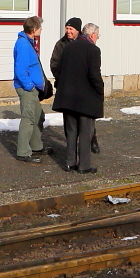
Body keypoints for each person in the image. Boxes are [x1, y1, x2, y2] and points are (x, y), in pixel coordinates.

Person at [54, 23, 104, 173]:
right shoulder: (93, 50)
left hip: (67, 96)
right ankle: (84, 165)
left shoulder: (68, 47)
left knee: (71, 131)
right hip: (85, 98)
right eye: (97, 36)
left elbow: (58, 68)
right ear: (93, 35)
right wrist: (100, 91)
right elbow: (94, 75)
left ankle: (69, 163)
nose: (97, 39)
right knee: (85, 132)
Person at [49, 17, 98, 154]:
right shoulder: (61, 44)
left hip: (83, 88)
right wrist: (63, 78)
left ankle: (91, 140)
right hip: (67, 87)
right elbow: (54, 64)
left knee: (87, 118)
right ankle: (71, 148)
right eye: (67, 28)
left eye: (71, 29)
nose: (68, 31)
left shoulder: (86, 43)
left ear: (78, 31)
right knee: (69, 121)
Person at [13, 16, 47, 163]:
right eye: (40, 27)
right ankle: (23, 152)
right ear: (33, 30)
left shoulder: (28, 43)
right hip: (27, 89)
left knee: (38, 116)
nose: (41, 30)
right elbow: (20, 70)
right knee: (28, 119)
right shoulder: (23, 45)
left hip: (32, 89)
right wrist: (29, 86)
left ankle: (36, 146)